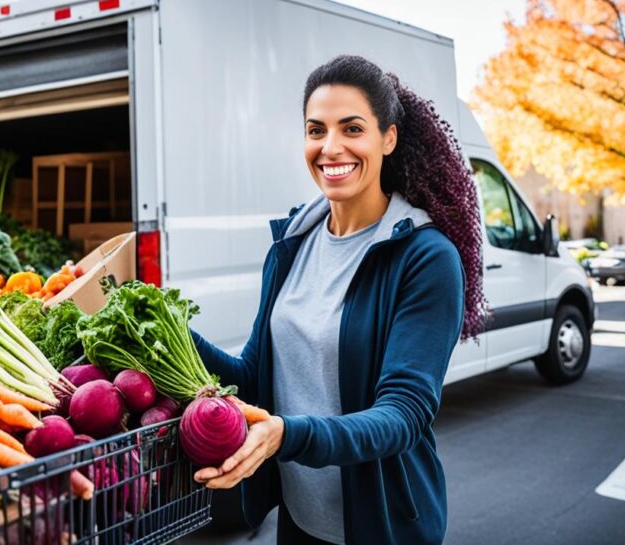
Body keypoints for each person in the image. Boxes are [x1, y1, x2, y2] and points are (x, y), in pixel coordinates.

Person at [189, 55, 487, 545]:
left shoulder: (426, 257)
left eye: (351, 128)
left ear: (388, 138)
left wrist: (289, 435)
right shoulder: (292, 243)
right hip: (298, 521)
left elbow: (404, 414)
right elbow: (252, 376)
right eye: (315, 130)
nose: (330, 147)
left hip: (384, 526)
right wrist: (163, 328)